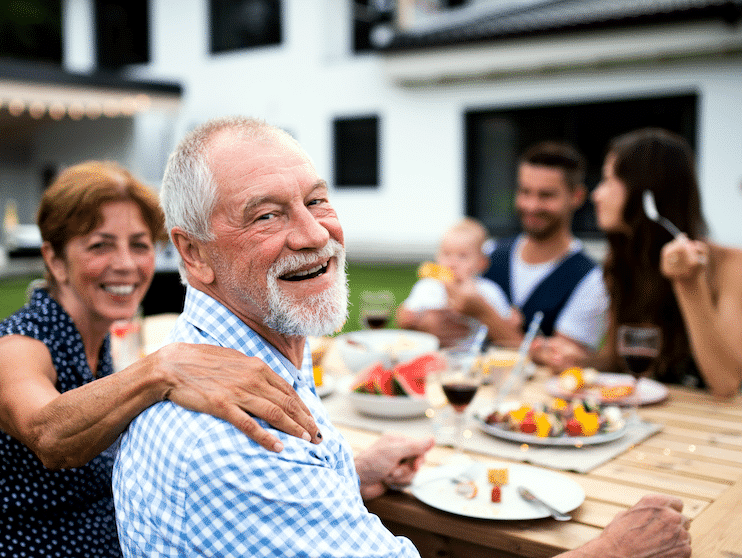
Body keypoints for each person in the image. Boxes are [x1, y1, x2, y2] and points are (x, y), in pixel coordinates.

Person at [113, 116, 691, 558]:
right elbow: (261, 483)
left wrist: (350, 473)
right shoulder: (233, 442)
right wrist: (613, 550)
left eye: (316, 200)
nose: (315, 233)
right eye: (267, 215)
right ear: (192, 252)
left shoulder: (246, 358)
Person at [0, 161, 321, 558]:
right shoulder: (16, 346)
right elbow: (47, 435)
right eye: (100, 245)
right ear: (54, 259)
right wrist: (161, 369)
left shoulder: (94, 339)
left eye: (139, 244)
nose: (126, 264)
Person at [588, 127, 742, 397]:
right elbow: (615, 360)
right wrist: (573, 361)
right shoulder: (622, 262)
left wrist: (689, 285)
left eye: (608, 181)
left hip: (707, 430)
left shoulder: (730, 265)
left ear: (646, 193)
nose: (596, 195)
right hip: (643, 423)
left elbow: (727, 384)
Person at [483, 141, 608, 369]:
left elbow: (560, 363)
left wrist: (486, 315)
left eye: (546, 195)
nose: (531, 205)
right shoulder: (490, 253)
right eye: (525, 192)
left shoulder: (591, 280)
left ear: (577, 196)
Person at [396, 217, 521, 347]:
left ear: (481, 263)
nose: (452, 263)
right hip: (434, 354)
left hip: (475, 357)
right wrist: (411, 318)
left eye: (462, 256)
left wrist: (513, 320)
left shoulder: (488, 290)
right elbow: (407, 315)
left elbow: (507, 322)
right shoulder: (427, 287)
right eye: (446, 254)